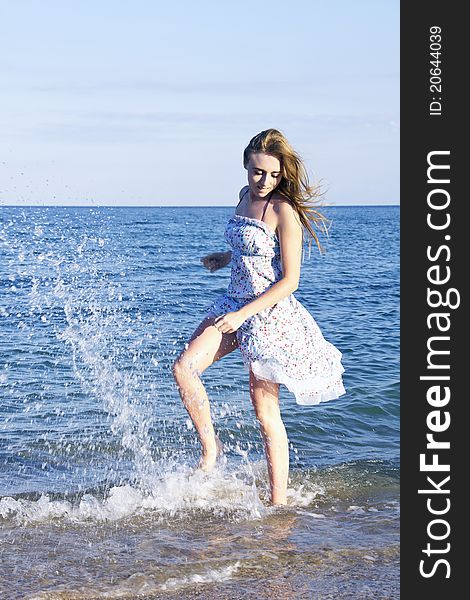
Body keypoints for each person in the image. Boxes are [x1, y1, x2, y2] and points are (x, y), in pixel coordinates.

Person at [172, 128, 345, 505]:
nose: (264, 181)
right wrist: (226, 257)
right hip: (234, 301)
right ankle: (211, 452)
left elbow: (290, 281)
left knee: (265, 410)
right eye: (257, 172)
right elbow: (254, 247)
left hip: (268, 313)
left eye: (272, 174)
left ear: (282, 173)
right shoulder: (242, 198)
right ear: (245, 167)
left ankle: (277, 502)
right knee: (185, 368)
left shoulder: (283, 210)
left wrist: (244, 315)